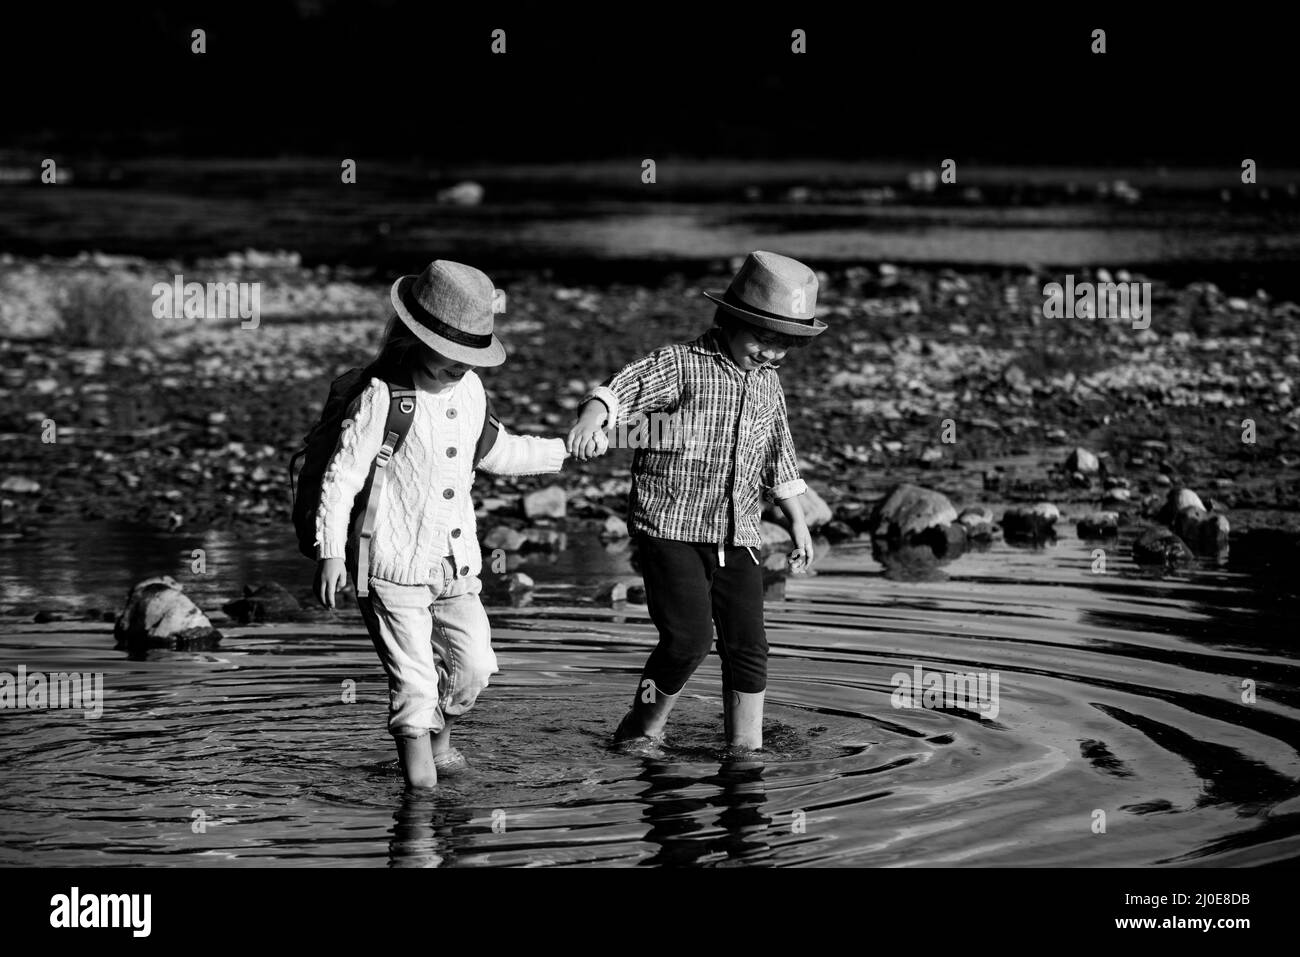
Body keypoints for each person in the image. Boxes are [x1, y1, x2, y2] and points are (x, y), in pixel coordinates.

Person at [316, 260, 567, 789]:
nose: (461, 365)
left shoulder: (470, 390)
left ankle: (441, 743)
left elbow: (496, 451)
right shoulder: (383, 398)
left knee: (475, 665)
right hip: (389, 564)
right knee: (415, 684)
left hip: (454, 565)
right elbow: (341, 478)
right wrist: (331, 550)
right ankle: (422, 796)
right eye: (451, 353)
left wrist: (565, 449)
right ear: (415, 337)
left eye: (470, 355)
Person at [567, 250, 827, 751]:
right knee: (687, 641)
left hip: (739, 534)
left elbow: (780, 457)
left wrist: (798, 522)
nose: (772, 354)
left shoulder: (768, 385)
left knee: (749, 646)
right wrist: (591, 419)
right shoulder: (682, 365)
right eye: (763, 339)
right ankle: (640, 727)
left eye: (784, 346)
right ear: (730, 319)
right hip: (670, 529)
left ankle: (745, 749)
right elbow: (621, 390)